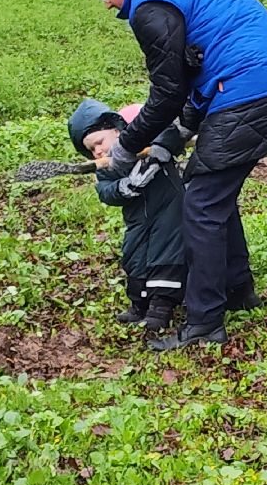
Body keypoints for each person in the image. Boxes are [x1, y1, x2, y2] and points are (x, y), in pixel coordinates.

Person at [88, 0, 267, 351]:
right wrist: (180, 132)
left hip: (248, 89)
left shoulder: (148, 4)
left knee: (201, 204)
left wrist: (124, 149)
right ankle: (239, 291)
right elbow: (197, 64)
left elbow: (167, 91)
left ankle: (205, 322)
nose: (106, 3)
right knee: (212, 191)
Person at [67, 98, 188, 333]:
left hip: (169, 211)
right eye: (91, 149)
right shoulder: (107, 168)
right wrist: (126, 185)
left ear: (116, 129)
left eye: (99, 142)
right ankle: (138, 304)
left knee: (165, 255)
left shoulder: (143, 139)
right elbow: (105, 191)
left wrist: (158, 155)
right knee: (134, 256)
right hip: (137, 219)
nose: (98, 150)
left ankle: (160, 309)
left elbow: (172, 134)